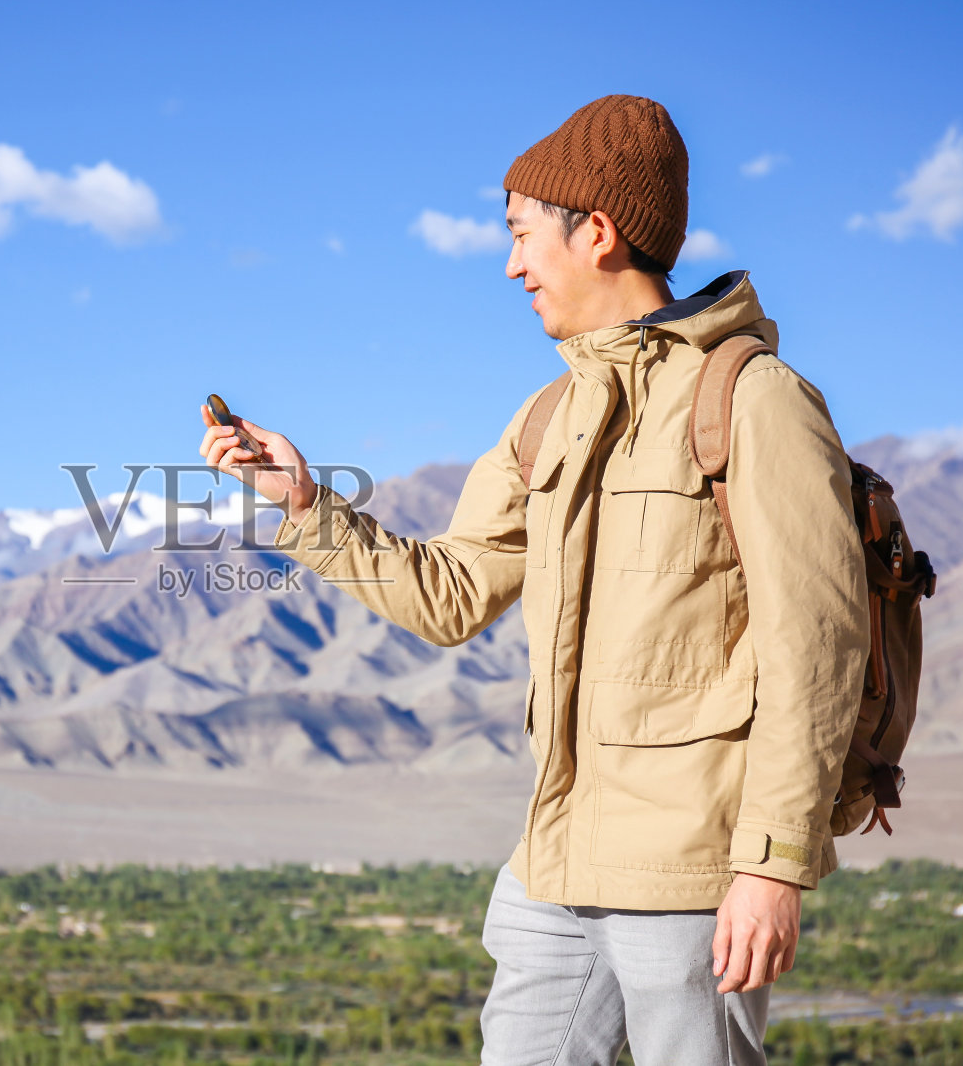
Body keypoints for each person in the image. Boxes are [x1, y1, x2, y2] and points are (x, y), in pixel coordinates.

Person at [196, 94, 870, 1065]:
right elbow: (450, 594)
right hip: (553, 862)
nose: (512, 265)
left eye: (521, 234)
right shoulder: (547, 416)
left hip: (690, 874)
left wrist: (772, 864)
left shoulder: (755, 399)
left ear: (596, 231)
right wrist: (302, 502)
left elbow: (818, 647)